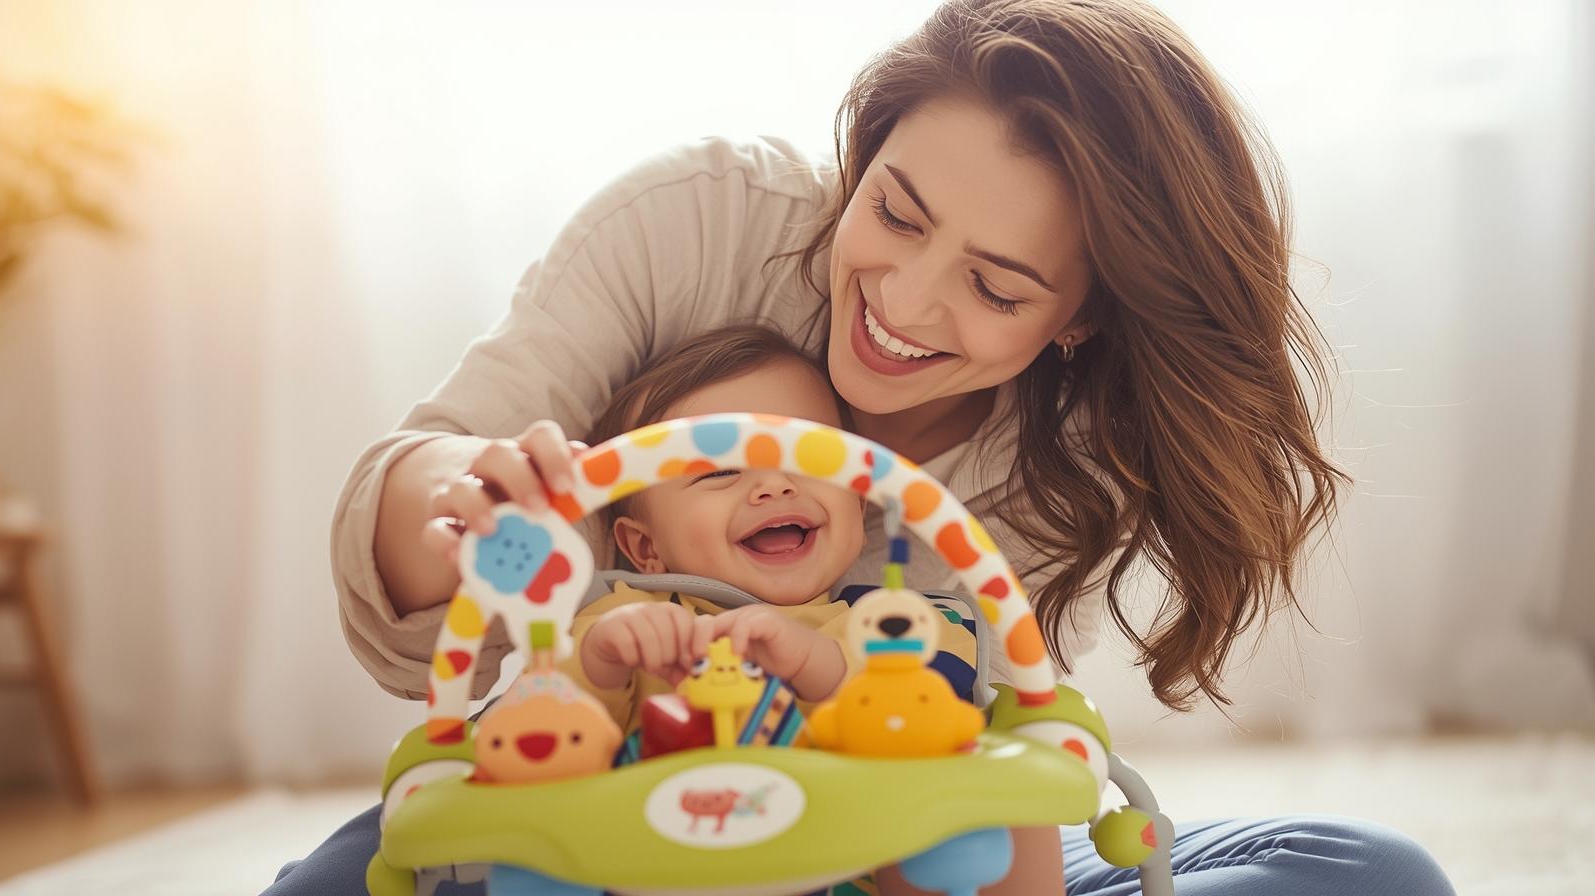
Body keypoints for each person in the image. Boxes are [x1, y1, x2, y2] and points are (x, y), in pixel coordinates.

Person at [300, 1, 1455, 894]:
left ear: (1082, 317)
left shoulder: (1055, 477)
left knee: (1367, 870)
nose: (903, 299)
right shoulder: (693, 221)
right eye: (894, 211)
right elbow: (432, 486)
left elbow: (974, 813)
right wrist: (457, 508)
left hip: (879, 837)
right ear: (864, 149)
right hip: (610, 824)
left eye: (996, 286)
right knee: (386, 856)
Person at [558, 324, 975, 734]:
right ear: (645, 546)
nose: (775, 485)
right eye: (721, 470)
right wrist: (602, 665)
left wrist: (816, 665)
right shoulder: (625, 624)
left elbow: (945, 714)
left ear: (858, 503)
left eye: (807, 458)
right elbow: (538, 731)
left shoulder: (902, 626)